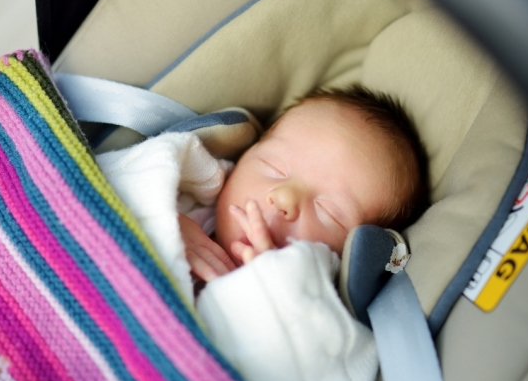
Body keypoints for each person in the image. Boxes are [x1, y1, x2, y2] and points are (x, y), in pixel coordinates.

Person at [179, 84, 428, 283]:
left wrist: (276, 288)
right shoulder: (181, 195)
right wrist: (164, 225)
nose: (285, 197)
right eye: (272, 166)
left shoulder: (315, 316)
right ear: (245, 154)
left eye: (328, 211)